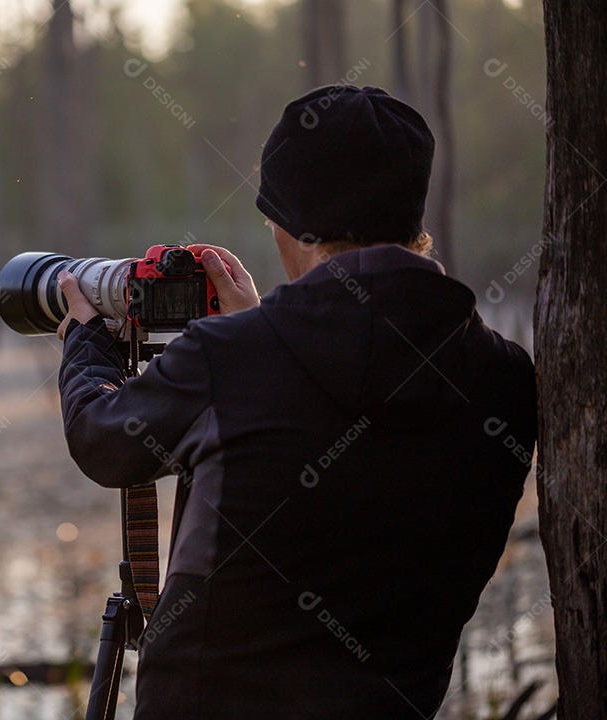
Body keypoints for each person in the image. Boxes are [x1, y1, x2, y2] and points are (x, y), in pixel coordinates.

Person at [55, 85, 536, 719]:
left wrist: (86, 345)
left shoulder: (233, 360)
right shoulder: (503, 377)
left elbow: (103, 439)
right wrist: (257, 328)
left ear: (294, 224)